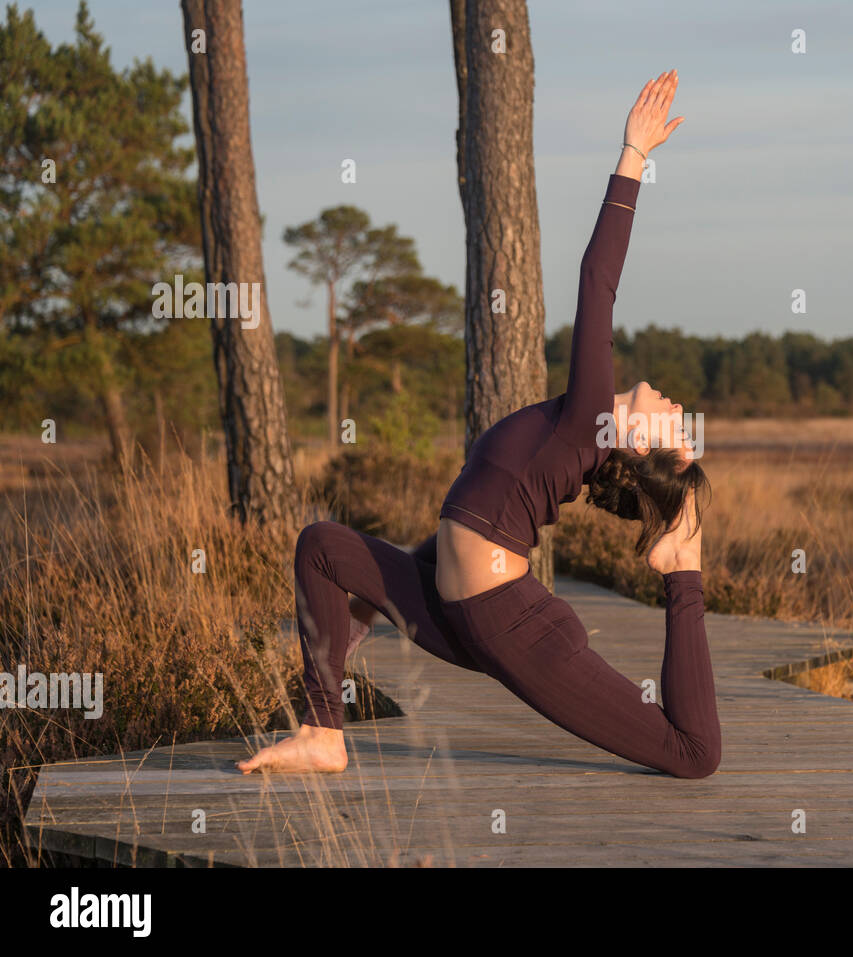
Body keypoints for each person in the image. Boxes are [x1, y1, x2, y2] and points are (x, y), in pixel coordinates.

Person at [239, 70, 721, 780]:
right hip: (454, 612)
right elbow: (477, 515)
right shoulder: (572, 426)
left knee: (691, 753)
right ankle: (323, 732)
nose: (685, 418)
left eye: (681, 440)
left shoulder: (593, 417)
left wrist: (633, 155)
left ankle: (685, 573)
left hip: (518, 627)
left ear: (640, 445)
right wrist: (377, 592)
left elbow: (597, 280)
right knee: (320, 546)